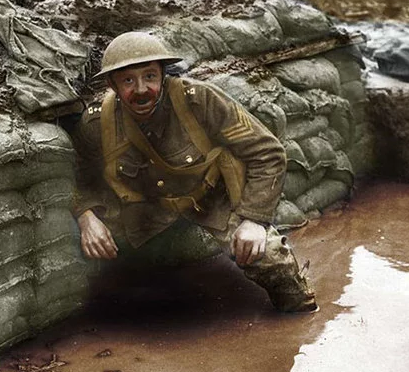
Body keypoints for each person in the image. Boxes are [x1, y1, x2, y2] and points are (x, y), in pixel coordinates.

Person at [71, 31, 317, 312]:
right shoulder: (96, 122)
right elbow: (80, 174)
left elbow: (268, 152)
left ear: (162, 75)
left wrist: (254, 220)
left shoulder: (200, 100)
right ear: (112, 83)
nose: (140, 89)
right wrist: (85, 215)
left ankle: (297, 313)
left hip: (211, 199)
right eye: (128, 80)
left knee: (270, 257)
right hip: (146, 210)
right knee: (78, 252)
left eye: (149, 76)